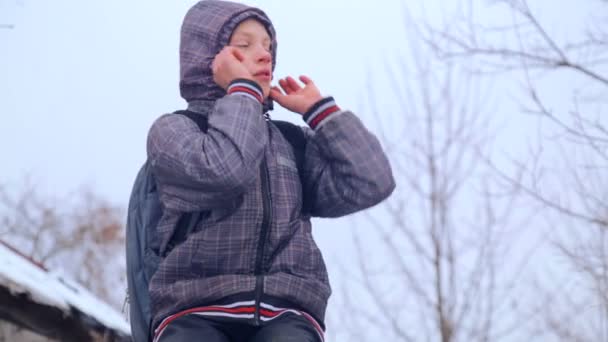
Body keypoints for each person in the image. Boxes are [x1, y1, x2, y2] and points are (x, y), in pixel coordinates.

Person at [146, 1, 395, 341]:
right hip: (193, 311)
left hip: (287, 312)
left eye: (268, 46)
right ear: (206, 58)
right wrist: (243, 92)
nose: (264, 55)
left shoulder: (291, 142)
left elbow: (372, 181)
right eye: (244, 45)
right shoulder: (175, 131)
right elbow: (224, 171)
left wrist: (321, 113)